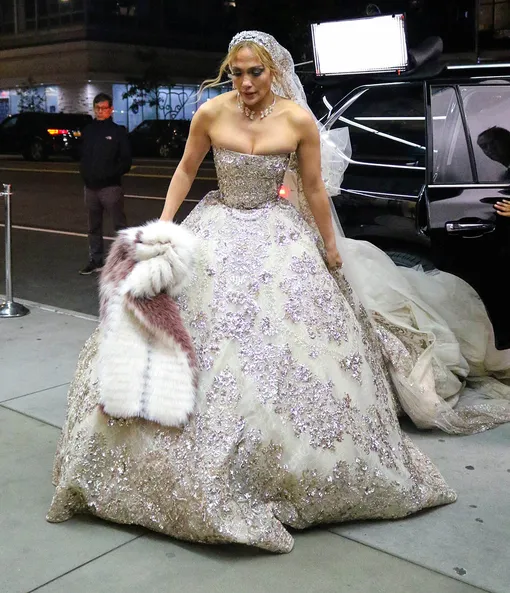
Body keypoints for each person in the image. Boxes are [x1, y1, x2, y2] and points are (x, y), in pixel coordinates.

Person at [47, 31, 510, 553]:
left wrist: (329, 245)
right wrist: (164, 226)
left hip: (277, 232)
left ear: (274, 72)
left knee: (293, 343)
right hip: (218, 229)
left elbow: (312, 188)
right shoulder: (210, 113)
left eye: (256, 72)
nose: (246, 83)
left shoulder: (296, 120)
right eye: (237, 72)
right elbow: (186, 169)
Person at [79, 93, 132, 275]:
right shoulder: (88, 130)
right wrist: (85, 174)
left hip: (110, 188)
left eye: (104, 108)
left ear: (111, 109)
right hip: (90, 188)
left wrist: (110, 174)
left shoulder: (118, 131)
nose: (100, 111)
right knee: (93, 226)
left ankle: (125, 261)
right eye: (97, 108)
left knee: (119, 226)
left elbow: (126, 161)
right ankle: (95, 260)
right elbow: (82, 155)